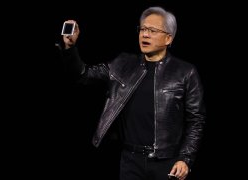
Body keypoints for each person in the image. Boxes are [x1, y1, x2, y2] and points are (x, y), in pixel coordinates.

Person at [61, 6, 206, 180]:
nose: (145, 34)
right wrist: (70, 48)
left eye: (152, 30)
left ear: (168, 38)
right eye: (143, 29)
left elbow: (196, 120)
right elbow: (83, 75)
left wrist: (185, 159)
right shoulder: (122, 64)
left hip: (167, 163)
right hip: (130, 161)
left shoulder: (185, 72)